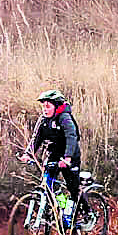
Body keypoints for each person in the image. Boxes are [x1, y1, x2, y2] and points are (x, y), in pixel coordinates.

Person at [26, 89, 82, 219]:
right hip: (54, 155)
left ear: (56, 107)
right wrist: (28, 154)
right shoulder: (43, 120)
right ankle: (62, 209)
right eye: (43, 106)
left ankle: (83, 213)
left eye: (48, 106)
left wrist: (67, 158)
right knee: (50, 185)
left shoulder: (65, 118)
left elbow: (71, 137)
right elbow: (36, 138)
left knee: (72, 187)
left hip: (70, 155)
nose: (44, 109)